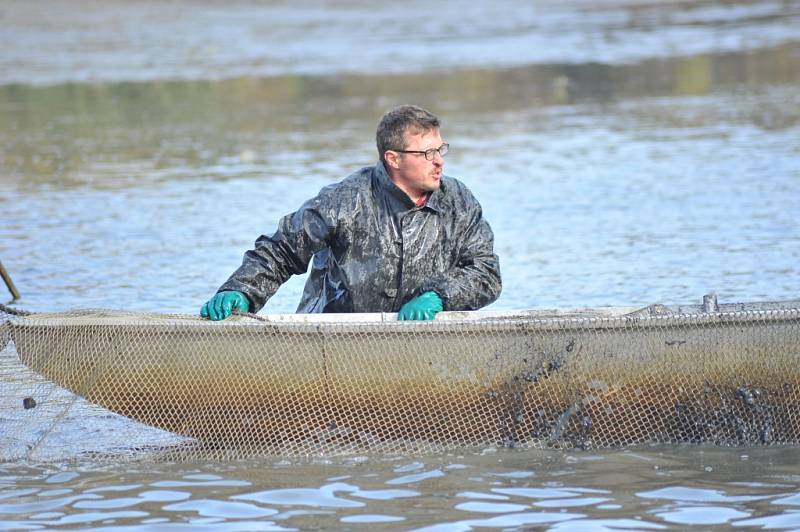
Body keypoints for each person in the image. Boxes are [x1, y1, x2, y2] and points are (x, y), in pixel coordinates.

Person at [200, 104, 501, 321]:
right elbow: (281, 250)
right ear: (393, 159)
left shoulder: (458, 200)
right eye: (426, 154)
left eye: (441, 149)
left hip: (422, 342)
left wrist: (440, 295)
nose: (439, 162)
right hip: (334, 341)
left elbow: (486, 272)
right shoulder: (346, 199)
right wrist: (241, 290)